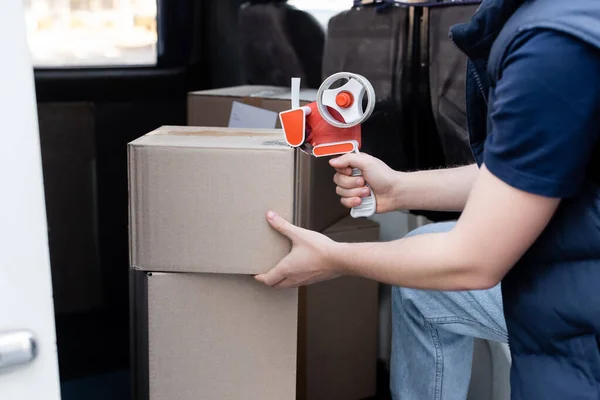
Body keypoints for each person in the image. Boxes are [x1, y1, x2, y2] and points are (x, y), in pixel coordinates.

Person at [256, 0, 600, 398]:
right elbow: (527, 171)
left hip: (585, 335)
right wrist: (398, 189)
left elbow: (472, 261)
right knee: (421, 280)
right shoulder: (567, 18)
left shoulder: (550, 46)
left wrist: (333, 258)